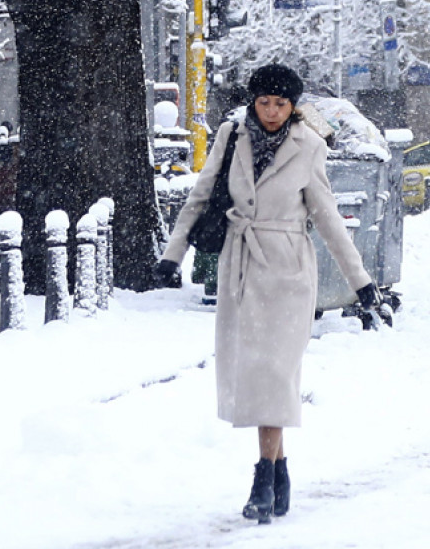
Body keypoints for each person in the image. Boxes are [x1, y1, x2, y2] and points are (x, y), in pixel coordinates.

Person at [155, 63, 380, 525]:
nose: (273, 112)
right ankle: (278, 470)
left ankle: (262, 476)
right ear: (252, 102)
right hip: (240, 266)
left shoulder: (311, 146)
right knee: (257, 376)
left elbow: (328, 218)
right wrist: (172, 255)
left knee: (275, 375)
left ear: (294, 106)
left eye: (281, 104)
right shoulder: (231, 135)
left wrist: (361, 282)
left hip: (289, 270)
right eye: (264, 102)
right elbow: (200, 196)